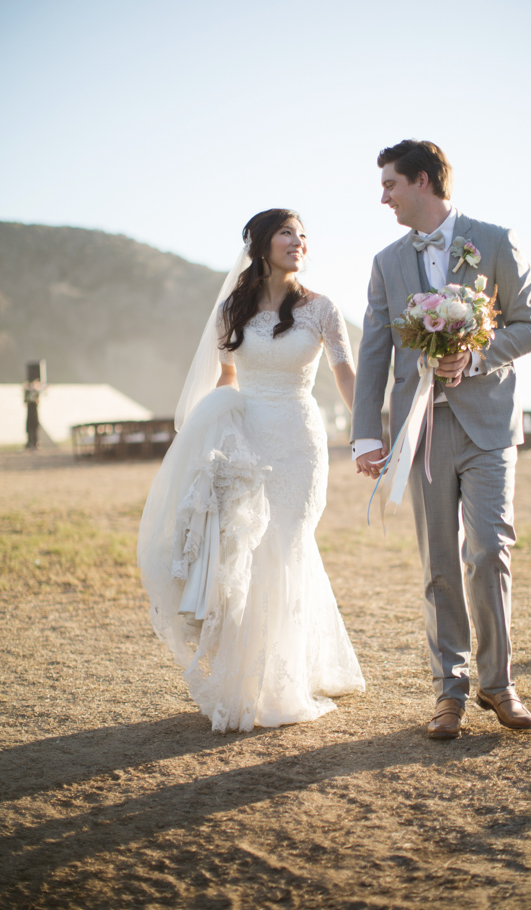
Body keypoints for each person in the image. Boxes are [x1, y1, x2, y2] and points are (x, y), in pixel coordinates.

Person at [138, 208, 365, 732]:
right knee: (253, 550)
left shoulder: (323, 309)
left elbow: (347, 376)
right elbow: (227, 377)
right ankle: (257, 672)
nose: (299, 242)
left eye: (304, 235)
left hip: (300, 442)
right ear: (262, 244)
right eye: (288, 233)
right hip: (248, 441)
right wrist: (214, 443)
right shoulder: (232, 309)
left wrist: (371, 432)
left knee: (286, 540)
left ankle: (280, 680)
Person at [352, 140, 531, 740]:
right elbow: (375, 353)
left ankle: (499, 683)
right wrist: (365, 434)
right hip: (422, 431)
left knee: (488, 550)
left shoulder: (494, 240)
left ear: (424, 180)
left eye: (391, 184)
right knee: (439, 565)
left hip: (488, 428)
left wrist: (477, 354)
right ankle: (450, 692)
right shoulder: (386, 262)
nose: (382, 196)